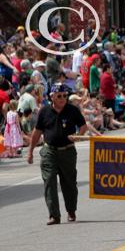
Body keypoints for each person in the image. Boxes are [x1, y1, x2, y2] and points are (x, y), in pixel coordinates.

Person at [27, 83, 87, 225]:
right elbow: (37, 132)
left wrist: (78, 135)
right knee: (49, 182)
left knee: (70, 183)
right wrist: (30, 151)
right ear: (52, 97)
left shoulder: (72, 110)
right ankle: (54, 215)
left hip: (68, 151)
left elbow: (83, 126)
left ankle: (71, 210)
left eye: (65, 96)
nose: (62, 98)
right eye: (59, 96)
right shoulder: (44, 111)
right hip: (49, 151)